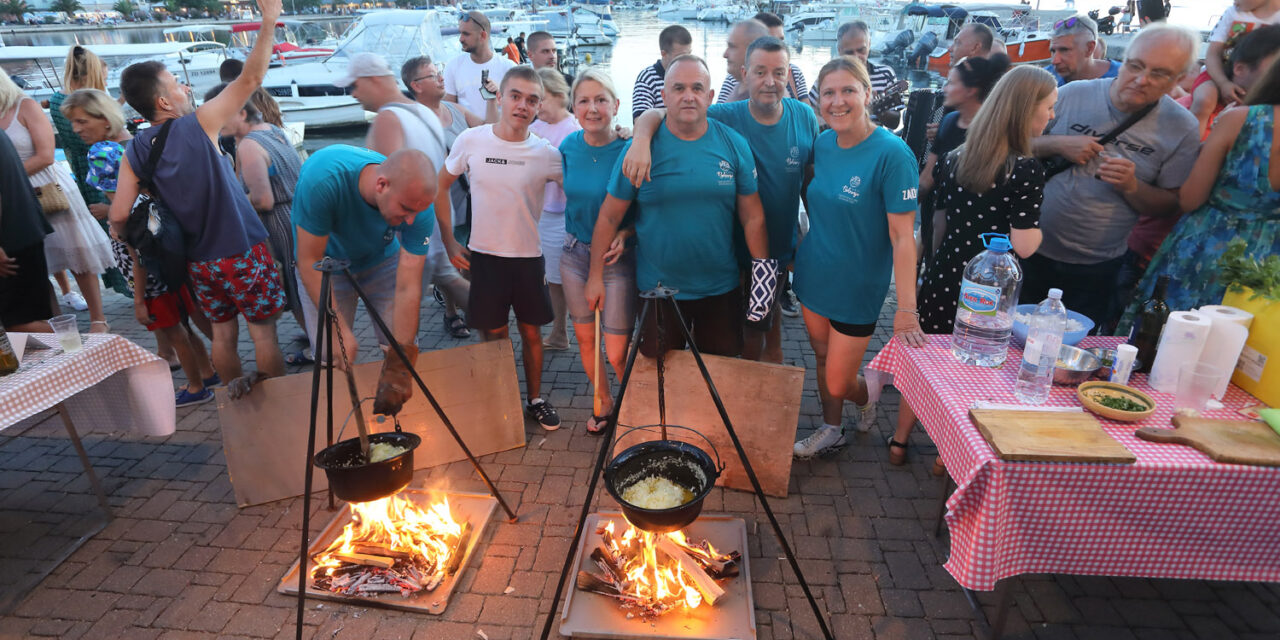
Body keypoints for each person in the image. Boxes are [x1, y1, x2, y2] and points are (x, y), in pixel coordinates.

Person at [110, 0, 287, 399]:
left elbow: (120, 215)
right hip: (242, 249)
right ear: (164, 102)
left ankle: (239, 410)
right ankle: (280, 410)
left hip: (198, 262)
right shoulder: (199, 124)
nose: (184, 87)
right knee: (263, 334)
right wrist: (269, 18)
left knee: (223, 336)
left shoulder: (135, 149)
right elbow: (252, 77)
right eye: (176, 83)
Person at [626, 37, 818, 364]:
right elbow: (667, 109)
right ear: (744, 75)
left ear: (789, 75)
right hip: (727, 253)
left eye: (778, 72)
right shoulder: (725, 115)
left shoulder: (804, 117)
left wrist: (811, 238)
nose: (769, 81)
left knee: (762, 334)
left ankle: (753, 404)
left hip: (772, 252)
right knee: (731, 341)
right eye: (760, 72)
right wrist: (641, 137)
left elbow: (809, 182)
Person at [587, 55, 772, 361]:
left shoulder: (733, 144)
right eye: (679, 88)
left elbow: (753, 217)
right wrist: (595, 277)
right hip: (657, 291)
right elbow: (609, 216)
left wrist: (762, 281)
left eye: (697, 88)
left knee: (718, 377)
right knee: (661, 382)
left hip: (719, 287)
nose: (689, 96)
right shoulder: (639, 151)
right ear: (664, 96)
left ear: (710, 96)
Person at [1025, 24, 1200, 332]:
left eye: (1159, 73)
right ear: (1125, 59)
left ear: (1178, 80)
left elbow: (1169, 205)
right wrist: (1057, 143)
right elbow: (1013, 147)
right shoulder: (1071, 94)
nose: (1141, 79)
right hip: (1028, 248)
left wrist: (1132, 186)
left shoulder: (1181, 127)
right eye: (1135, 66)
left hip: (1097, 268)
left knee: (1070, 353)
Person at [791, 56, 924, 460]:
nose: (838, 101)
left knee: (837, 381)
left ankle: (868, 393)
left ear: (867, 93)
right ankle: (832, 429)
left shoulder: (893, 155)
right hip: (814, 274)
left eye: (848, 90)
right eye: (828, 92)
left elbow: (904, 238)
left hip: (858, 285)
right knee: (820, 355)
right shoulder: (824, 142)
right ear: (818, 101)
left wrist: (906, 309)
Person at [62, 88, 219, 406]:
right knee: (188, 314)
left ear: (103, 120)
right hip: (166, 242)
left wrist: (137, 299)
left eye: (80, 121)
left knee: (175, 329)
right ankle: (211, 369)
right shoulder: (135, 142)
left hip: (142, 247)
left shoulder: (102, 152)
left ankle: (194, 386)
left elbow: (126, 224)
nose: (75, 129)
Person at [434, 66, 565, 431]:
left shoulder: (547, 153)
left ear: (539, 107)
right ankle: (501, 396)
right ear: (500, 97)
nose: (523, 105)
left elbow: (582, 188)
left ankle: (535, 399)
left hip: (527, 259)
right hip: (485, 258)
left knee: (531, 333)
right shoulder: (472, 140)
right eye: (516, 96)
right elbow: (439, 186)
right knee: (494, 335)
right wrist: (448, 240)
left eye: (532, 100)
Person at [1119, 56, 1280, 329]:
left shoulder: (1241, 120)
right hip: (1268, 268)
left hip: (1208, 252)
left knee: (1167, 338)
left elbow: (1190, 199)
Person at [291, 146, 438, 415]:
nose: (410, 220)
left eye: (416, 212)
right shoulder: (323, 179)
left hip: (381, 259)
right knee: (331, 351)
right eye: (405, 210)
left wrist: (399, 365)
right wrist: (337, 328)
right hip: (324, 264)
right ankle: (339, 418)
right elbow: (307, 260)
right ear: (381, 185)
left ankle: (403, 419)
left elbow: (408, 287)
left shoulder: (418, 207)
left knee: (400, 349)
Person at [0, 74, 115, 333]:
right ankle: (55, 322)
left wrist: (9, 176)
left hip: (48, 186)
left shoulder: (24, 105)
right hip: (17, 196)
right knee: (40, 262)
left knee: (75, 251)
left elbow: (46, 155)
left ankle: (98, 319)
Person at [204, 83, 307, 357]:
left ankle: (319, 346)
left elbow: (263, 200)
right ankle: (315, 336)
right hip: (296, 213)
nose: (215, 121)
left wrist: (227, 203)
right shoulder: (273, 131)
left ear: (240, 112)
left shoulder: (249, 146)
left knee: (295, 287)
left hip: (277, 222)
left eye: (220, 113)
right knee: (304, 283)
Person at [558, 68, 635, 434]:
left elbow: (648, 206)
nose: (593, 108)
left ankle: (638, 407)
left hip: (614, 260)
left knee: (618, 350)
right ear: (573, 108)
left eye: (601, 100)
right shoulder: (567, 148)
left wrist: (628, 230)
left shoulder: (631, 148)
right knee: (586, 339)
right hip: (574, 254)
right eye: (584, 101)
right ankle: (604, 401)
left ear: (616, 105)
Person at [403, 55, 498, 339]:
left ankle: (467, 303)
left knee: (468, 254)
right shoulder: (413, 120)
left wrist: (491, 99)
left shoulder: (455, 110)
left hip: (470, 199)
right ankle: (451, 313)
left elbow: (490, 133)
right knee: (449, 252)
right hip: (439, 199)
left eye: (439, 71)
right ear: (416, 86)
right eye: (433, 75)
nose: (441, 78)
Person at [47, 45, 129, 305]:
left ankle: (130, 283)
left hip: (85, 171)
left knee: (109, 231)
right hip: (98, 169)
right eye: (103, 77)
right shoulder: (103, 149)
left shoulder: (60, 101)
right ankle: (133, 284)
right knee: (114, 227)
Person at [919, 55, 1011, 254]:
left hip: (973, 232)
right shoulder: (949, 121)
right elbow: (927, 178)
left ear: (971, 90)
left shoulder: (996, 131)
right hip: (937, 221)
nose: (945, 89)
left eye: (951, 83)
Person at [530, 68, 581, 353]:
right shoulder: (537, 127)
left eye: (541, 100)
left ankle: (563, 330)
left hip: (561, 214)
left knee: (560, 278)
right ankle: (558, 330)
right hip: (540, 212)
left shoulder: (572, 129)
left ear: (561, 97)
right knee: (549, 276)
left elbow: (573, 174)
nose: (537, 107)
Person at [1187, 2, 1280, 138]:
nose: (1235, 2)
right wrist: (1223, 82)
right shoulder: (1233, 13)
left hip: (1262, 80)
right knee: (1204, 100)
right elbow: (1213, 54)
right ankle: (1190, 148)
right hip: (1218, 73)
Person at [0, 129, 57, 333]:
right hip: (21, 231)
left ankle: (84, 355)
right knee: (37, 315)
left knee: (18, 323)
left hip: (11, 240)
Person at [810, 22, 903, 128]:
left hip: (872, 141)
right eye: (849, 53)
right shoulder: (826, 79)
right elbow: (808, 116)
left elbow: (895, 123)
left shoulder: (885, 74)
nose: (856, 57)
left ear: (869, 44)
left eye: (861, 50)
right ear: (840, 51)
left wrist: (877, 108)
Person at [713, 12, 809, 105]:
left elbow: (806, 115)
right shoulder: (733, 81)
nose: (779, 47)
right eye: (771, 42)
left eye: (781, 40)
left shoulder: (795, 73)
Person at [444, 11, 515, 116]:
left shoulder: (510, 68)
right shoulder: (453, 66)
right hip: (466, 131)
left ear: (482, 35)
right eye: (460, 33)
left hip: (499, 131)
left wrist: (499, 94)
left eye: (466, 34)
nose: (460, 39)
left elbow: (517, 107)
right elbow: (449, 110)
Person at [631, 25, 693, 120]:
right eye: (680, 57)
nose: (686, 61)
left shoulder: (693, 76)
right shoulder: (648, 78)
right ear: (664, 54)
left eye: (689, 55)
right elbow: (640, 120)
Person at [1047, 15, 1121, 86]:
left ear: (1089, 48)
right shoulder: (1044, 79)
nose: (1054, 61)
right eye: (1053, 51)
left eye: (1064, 50)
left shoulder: (1124, 77)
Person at [715, 19, 769, 104]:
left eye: (732, 47)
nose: (725, 54)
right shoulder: (739, 88)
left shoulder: (764, 100)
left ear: (752, 51)